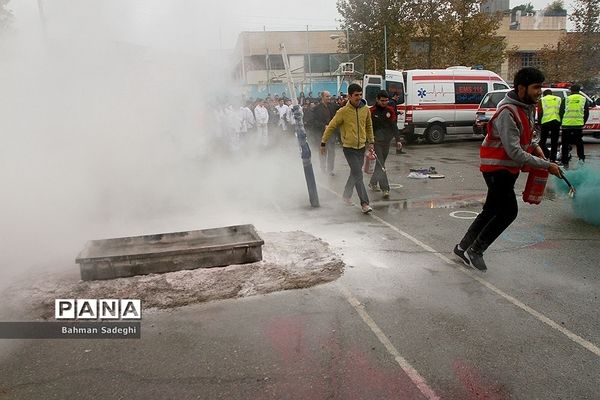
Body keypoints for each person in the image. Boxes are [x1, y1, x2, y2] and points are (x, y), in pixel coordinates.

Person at [453, 67, 561, 271]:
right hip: (496, 169)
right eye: (536, 87)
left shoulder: (527, 107)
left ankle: (461, 247)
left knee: (491, 210)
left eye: (541, 87)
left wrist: (536, 147)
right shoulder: (507, 112)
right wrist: (548, 166)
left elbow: (527, 136)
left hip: (508, 169)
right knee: (509, 211)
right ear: (522, 88)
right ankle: (476, 250)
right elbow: (514, 151)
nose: (540, 91)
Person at [321, 83, 374, 214]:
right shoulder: (343, 112)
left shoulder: (365, 109)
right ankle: (365, 203)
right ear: (349, 96)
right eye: (356, 95)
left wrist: (371, 141)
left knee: (354, 173)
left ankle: (346, 195)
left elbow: (368, 126)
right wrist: (323, 143)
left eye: (360, 95)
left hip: (361, 147)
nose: (359, 97)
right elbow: (331, 126)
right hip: (349, 148)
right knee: (358, 174)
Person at [368, 90, 398, 199]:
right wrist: (369, 141)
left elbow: (393, 125)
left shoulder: (390, 110)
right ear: (377, 100)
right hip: (376, 142)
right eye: (382, 100)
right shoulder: (371, 111)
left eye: (386, 100)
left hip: (387, 141)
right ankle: (385, 188)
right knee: (381, 164)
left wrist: (398, 139)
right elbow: (368, 127)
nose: (384, 102)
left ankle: (373, 182)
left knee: (380, 164)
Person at [559, 84, 589, 167]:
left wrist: (562, 122)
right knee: (579, 142)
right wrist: (582, 122)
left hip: (566, 124)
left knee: (565, 143)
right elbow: (586, 113)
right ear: (579, 90)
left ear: (571, 90)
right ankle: (581, 159)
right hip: (578, 125)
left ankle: (565, 161)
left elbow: (561, 112)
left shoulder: (566, 99)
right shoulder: (583, 99)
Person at [312, 91, 339, 175]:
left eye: (329, 96)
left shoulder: (333, 107)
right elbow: (313, 122)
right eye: (327, 96)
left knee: (331, 152)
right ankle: (323, 169)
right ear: (322, 97)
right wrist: (323, 126)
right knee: (323, 152)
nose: (329, 98)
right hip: (321, 134)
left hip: (331, 134)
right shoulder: (316, 109)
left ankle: (330, 170)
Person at [537, 89, 562, 162]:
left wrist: (539, 123)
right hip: (556, 121)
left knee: (542, 141)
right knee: (554, 142)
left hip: (545, 122)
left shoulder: (542, 100)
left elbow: (540, 112)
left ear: (544, 94)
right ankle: (553, 159)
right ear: (551, 94)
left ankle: (546, 155)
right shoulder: (558, 99)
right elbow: (560, 110)